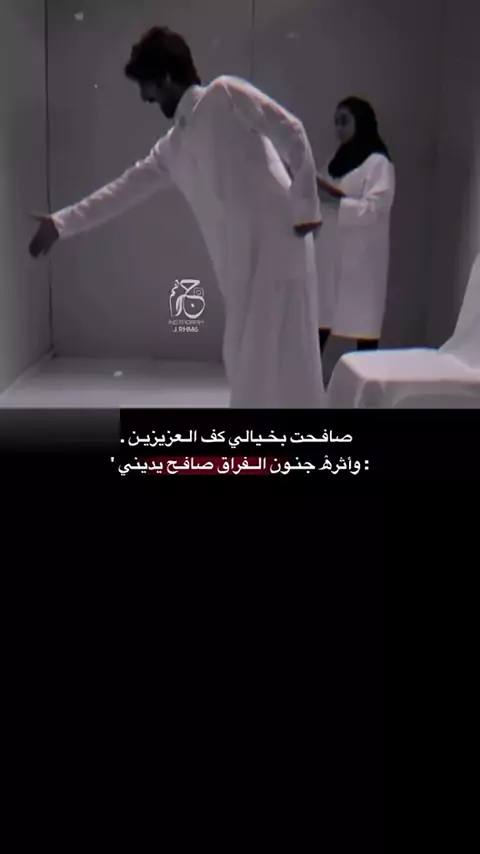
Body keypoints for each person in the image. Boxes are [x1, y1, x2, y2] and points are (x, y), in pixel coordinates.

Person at [29, 26, 325, 408]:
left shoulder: (225, 93)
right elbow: (122, 190)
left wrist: (306, 208)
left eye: (146, 86)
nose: (144, 97)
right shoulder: (172, 147)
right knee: (246, 359)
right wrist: (61, 223)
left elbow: (290, 129)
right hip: (240, 265)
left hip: (280, 245)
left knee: (280, 363)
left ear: (166, 76)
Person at [315, 97, 395, 354]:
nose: (338, 128)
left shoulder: (379, 164)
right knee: (322, 320)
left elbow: (375, 208)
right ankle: (308, 378)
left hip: (362, 260)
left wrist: (337, 201)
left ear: (360, 122)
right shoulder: (335, 160)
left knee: (364, 327)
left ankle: (366, 379)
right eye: (336, 122)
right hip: (330, 256)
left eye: (344, 121)